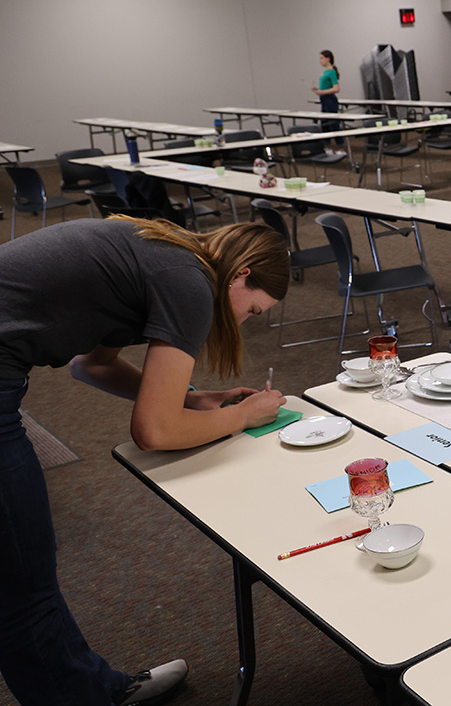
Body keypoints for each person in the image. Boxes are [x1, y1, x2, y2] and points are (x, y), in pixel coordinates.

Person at [0, 216, 290, 705]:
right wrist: (241, 416)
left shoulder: (164, 251)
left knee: (16, 577)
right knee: (26, 590)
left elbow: (91, 365)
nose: (245, 321)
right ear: (240, 273)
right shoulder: (193, 283)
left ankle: (96, 690)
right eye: (254, 310)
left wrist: (193, 400)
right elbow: (153, 432)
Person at [311, 49, 345, 156]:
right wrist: (319, 90)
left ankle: (341, 147)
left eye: (322, 58)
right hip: (324, 100)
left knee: (333, 124)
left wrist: (321, 91)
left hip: (330, 100)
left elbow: (336, 88)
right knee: (325, 124)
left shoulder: (331, 72)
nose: (320, 60)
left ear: (328, 59)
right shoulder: (326, 72)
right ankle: (327, 146)